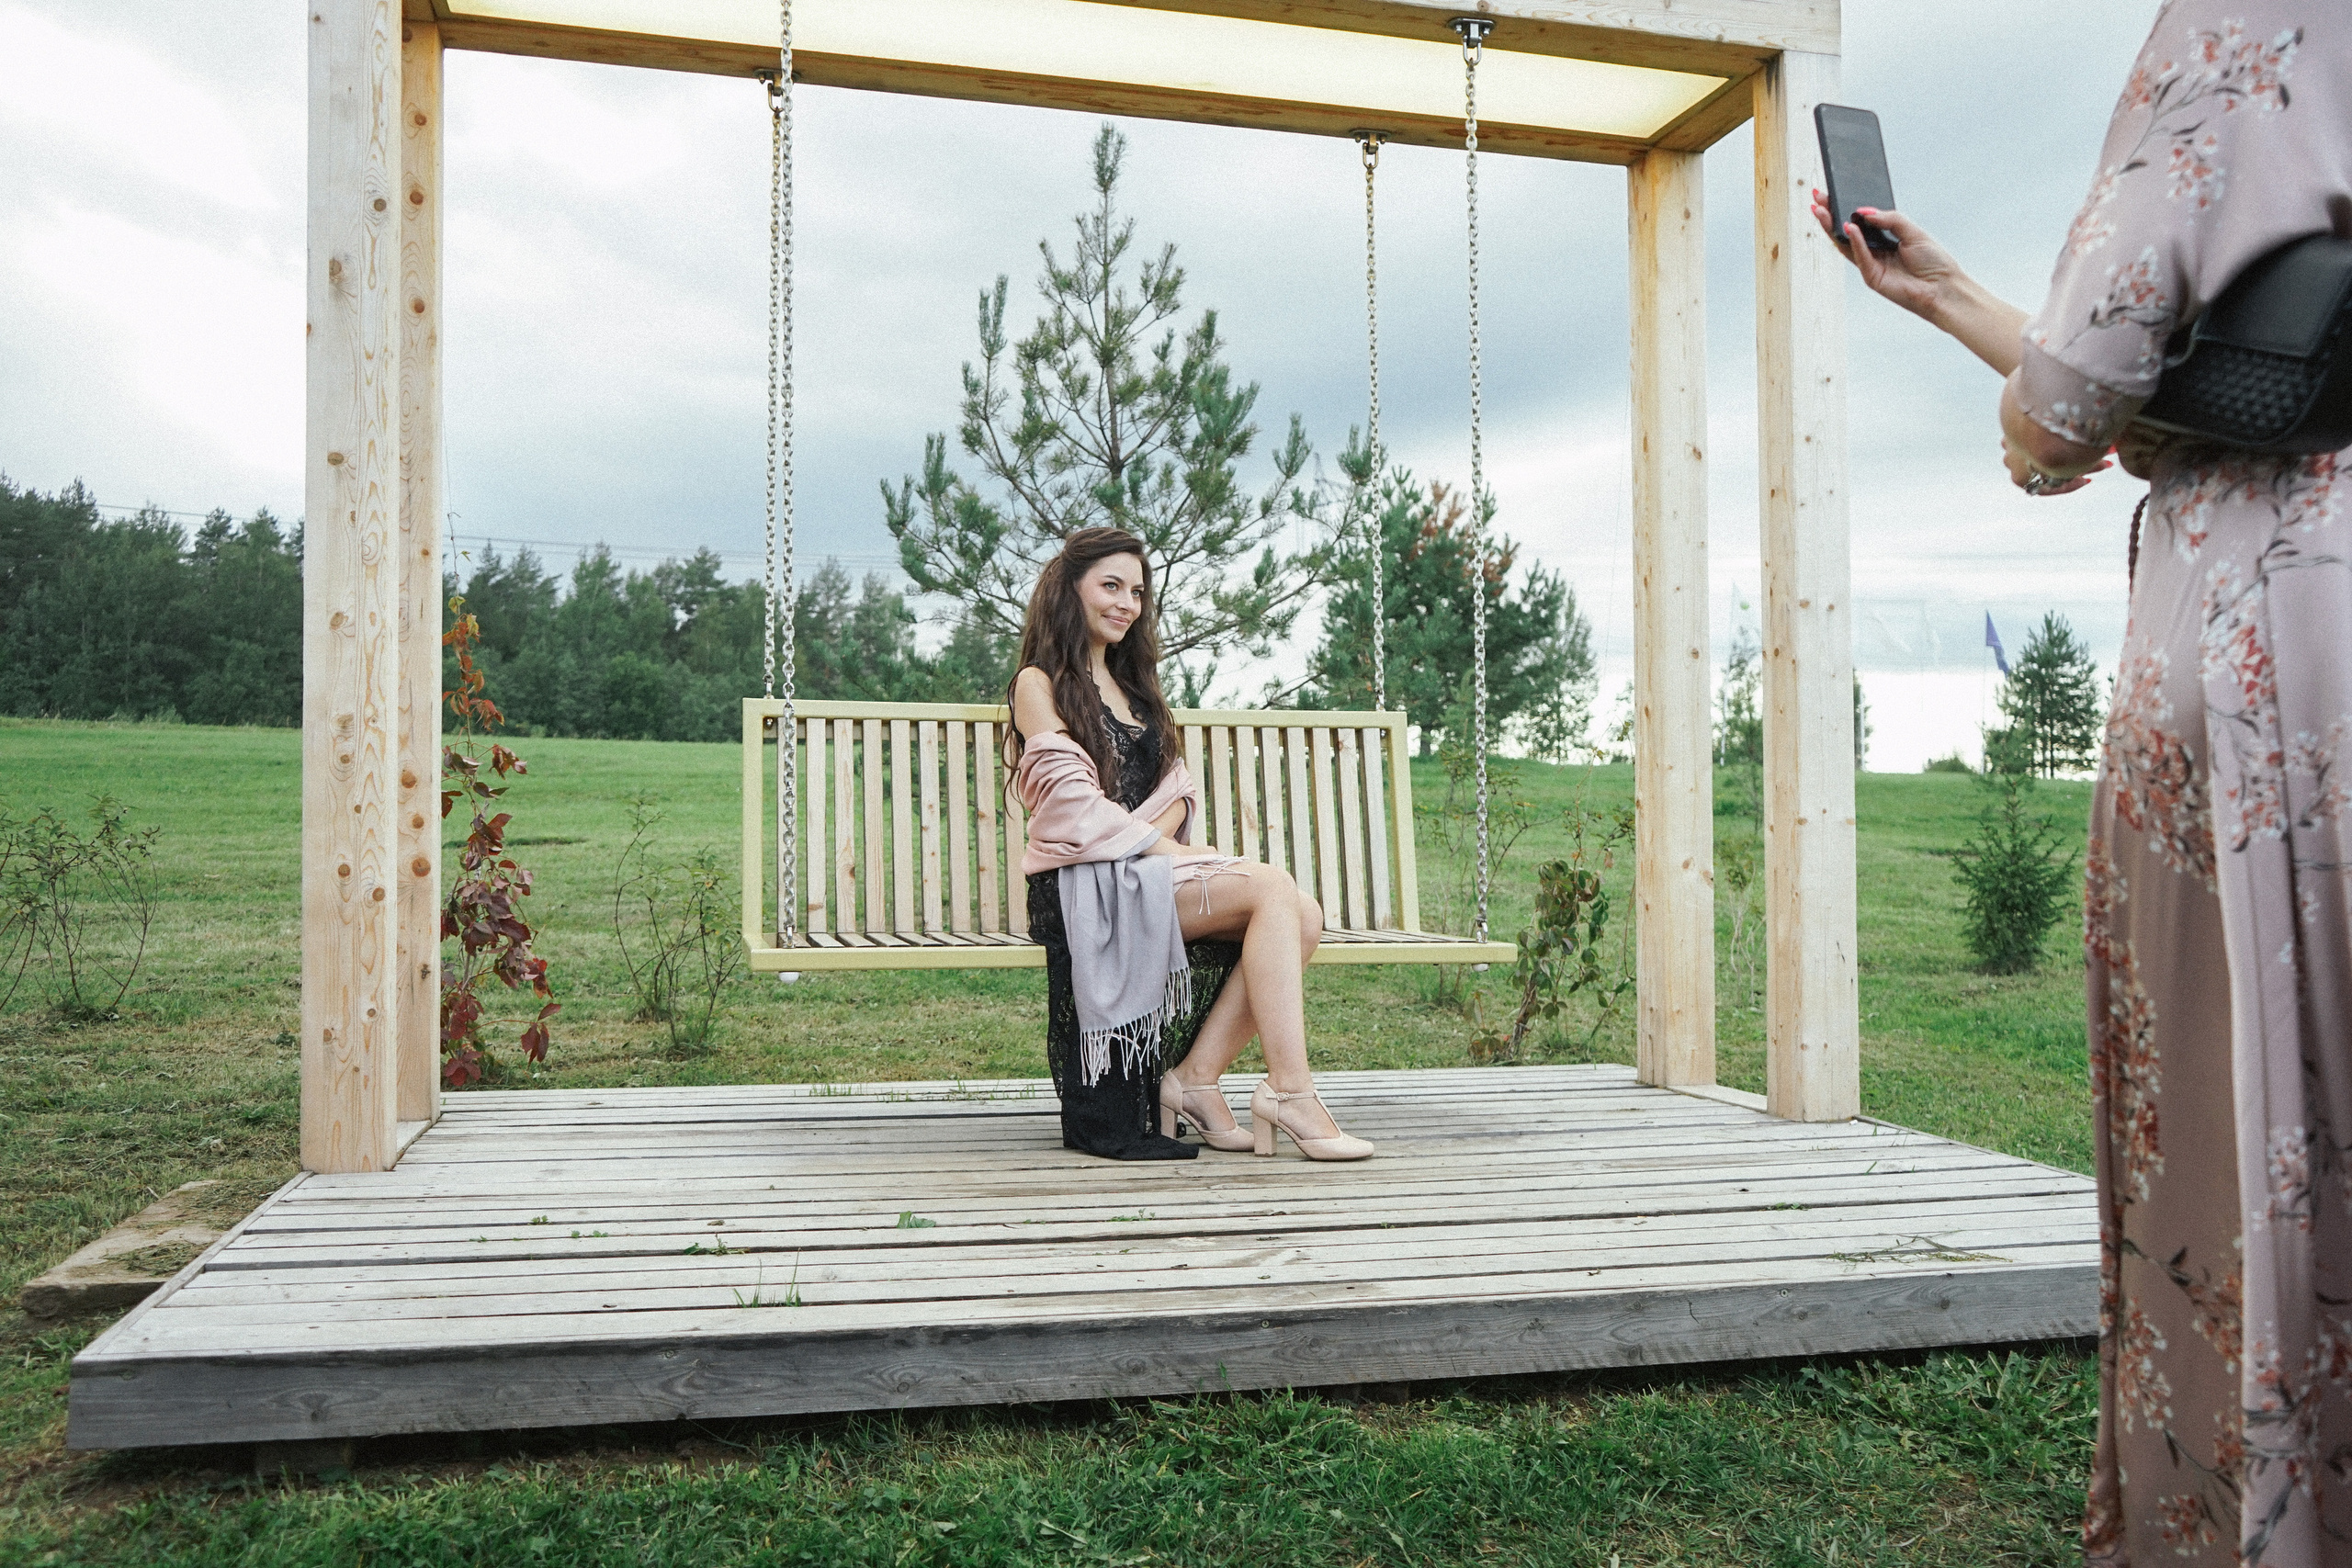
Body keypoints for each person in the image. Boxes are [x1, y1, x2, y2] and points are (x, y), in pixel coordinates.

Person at [1816, 6, 2349, 1561]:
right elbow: (2253, 374)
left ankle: (2248, 1515)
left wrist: (2027, 398)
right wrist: (1954, 296)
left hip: (2287, 637)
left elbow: (2072, 409)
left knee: (2248, 1093)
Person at [1007, 526, 1374, 1163]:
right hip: (1082, 884)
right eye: (1111, 586)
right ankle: (1291, 1090)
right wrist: (1163, 848)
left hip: (1141, 869)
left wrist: (1155, 842)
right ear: (1070, 590)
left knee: (1304, 916)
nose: (1127, 603)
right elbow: (1070, 804)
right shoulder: (1039, 684)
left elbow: (1177, 790)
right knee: (1272, 890)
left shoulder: (1136, 688)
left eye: (1138, 591)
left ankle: (1195, 1079)